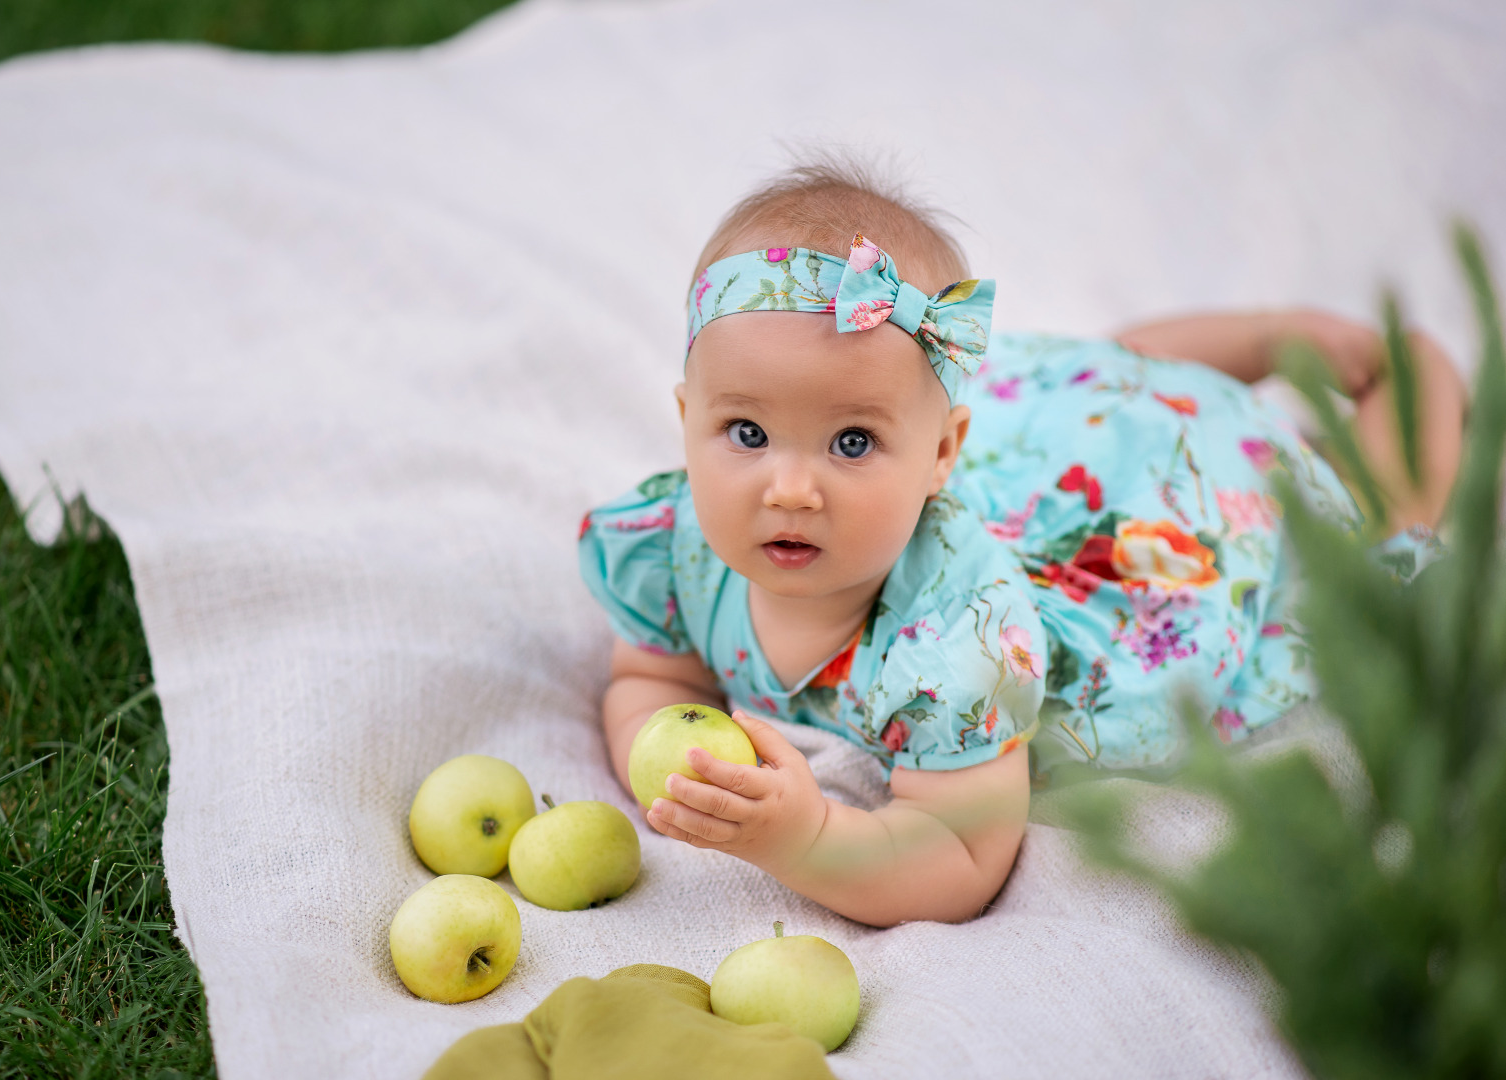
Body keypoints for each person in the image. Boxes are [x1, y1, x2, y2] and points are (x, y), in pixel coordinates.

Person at [576, 162, 1462, 927]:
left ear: (938, 456)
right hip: (1034, 459)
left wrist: (805, 838)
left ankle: (1381, 381)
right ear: (687, 422)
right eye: (744, 432)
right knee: (1067, 390)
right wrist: (669, 774)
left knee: (1339, 532)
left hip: (1153, 540)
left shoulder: (959, 644)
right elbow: (652, 678)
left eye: (851, 442)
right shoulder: (673, 550)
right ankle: (1252, 343)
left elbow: (959, 852)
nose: (790, 488)